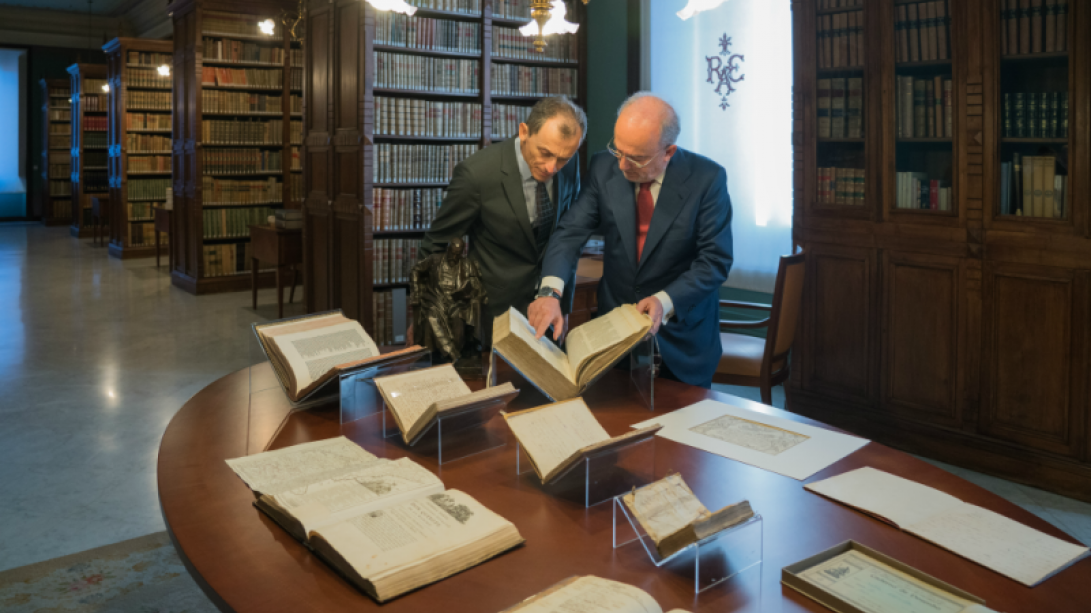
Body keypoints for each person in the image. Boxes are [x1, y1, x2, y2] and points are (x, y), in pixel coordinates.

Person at [528, 92, 734, 388]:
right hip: (615, 339)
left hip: (682, 338)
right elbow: (570, 232)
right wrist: (549, 292)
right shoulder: (604, 167)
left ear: (668, 152)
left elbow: (714, 261)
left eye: (636, 158)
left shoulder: (707, 179)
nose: (622, 165)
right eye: (618, 150)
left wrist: (664, 301)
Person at [417, 95, 586, 340]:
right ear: (524, 131)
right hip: (492, 317)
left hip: (548, 314)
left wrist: (563, 302)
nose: (552, 168)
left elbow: (568, 239)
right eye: (545, 153)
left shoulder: (569, 164)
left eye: (563, 158)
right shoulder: (477, 175)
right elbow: (435, 247)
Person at [409, 237, 487, 362]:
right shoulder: (434, 260)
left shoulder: (467, 265)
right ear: (448, 249)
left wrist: (467, 291)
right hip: (436, 300)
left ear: (462, 252)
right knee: (431, 316)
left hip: (457, 304)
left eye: (458, 254)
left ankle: (454, 353)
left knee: (458, 325)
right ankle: (451, 353)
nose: (454, 257)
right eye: (452, 253)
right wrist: (416, 292)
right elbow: (415, 270)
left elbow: (476, 286)